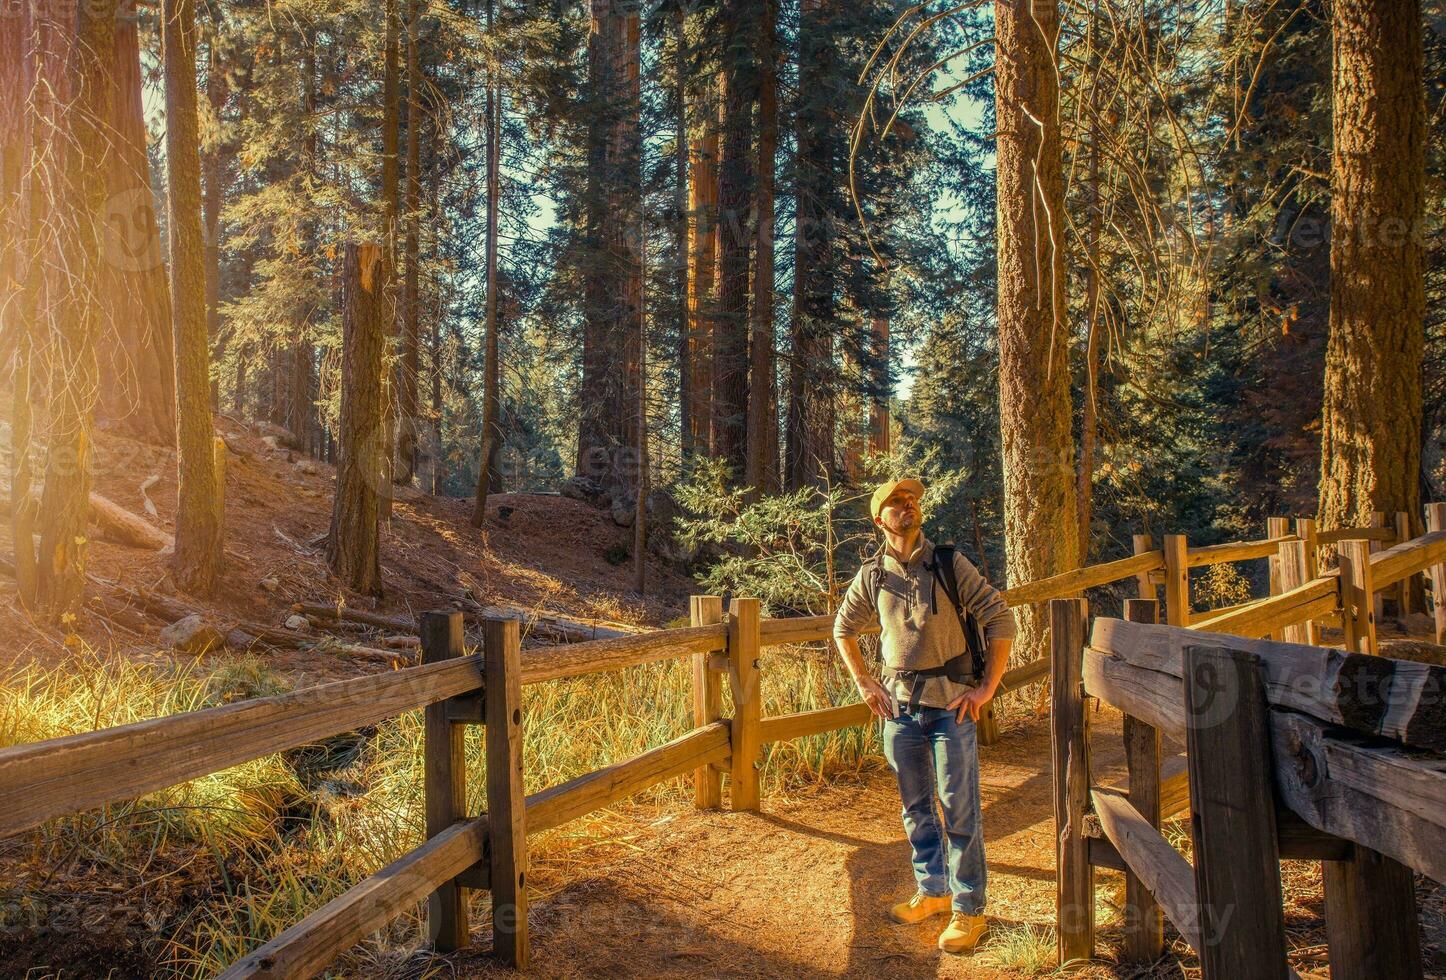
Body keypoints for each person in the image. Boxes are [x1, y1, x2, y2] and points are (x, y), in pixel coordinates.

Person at [833, 478, 1015, 954]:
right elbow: (842, 629)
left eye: (910, 499)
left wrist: (987, 687)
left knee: (959, 809)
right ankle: (933, 893)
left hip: (950, 707)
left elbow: (1001, 619)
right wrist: (865, 682)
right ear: (880, 519)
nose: (907, 505)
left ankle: (969, 909)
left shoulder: (949, 563)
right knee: (916, 812)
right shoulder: (873, 575)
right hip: (899, 710)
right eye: (895, 501)